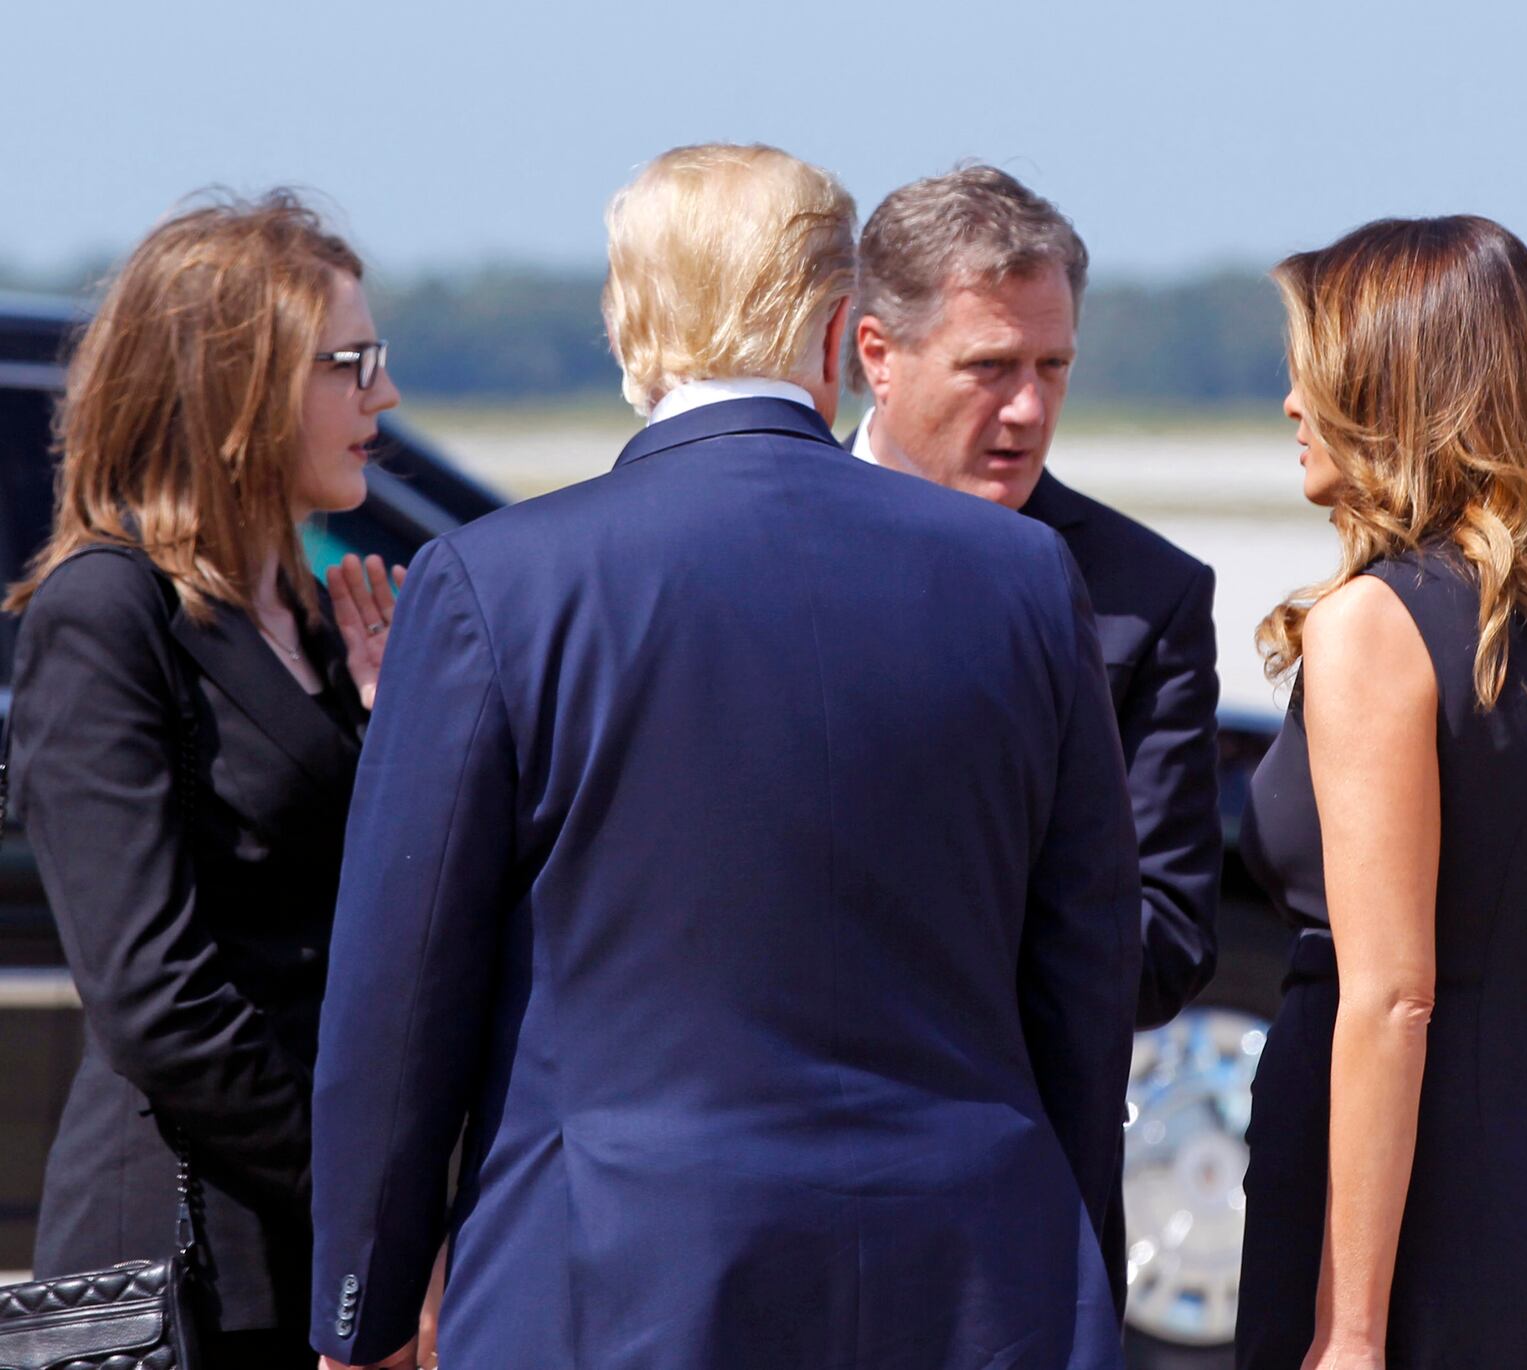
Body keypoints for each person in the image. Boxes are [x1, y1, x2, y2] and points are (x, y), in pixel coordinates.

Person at [310, 143, 1142, 1370]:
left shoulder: (501, 585)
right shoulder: (1019, 577)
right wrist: (1071, 1271)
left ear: (625, 319)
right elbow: (1082, 966)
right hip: (971, 1272)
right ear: (834, 327)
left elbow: (400, 984)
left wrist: (362, 1304)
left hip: (607, 1276)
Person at [5, 192, 403, 1370]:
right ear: (238, 384)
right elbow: (157, 1002)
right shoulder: (108, 612)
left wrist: (399, 740)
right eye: (353, 362)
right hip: (189, 1273)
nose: (384, 397)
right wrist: (364, 1209)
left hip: (308, 1257)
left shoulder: (317, 620)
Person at [846, 164, 1222, 1310]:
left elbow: (1163, 932)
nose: (1025, 408)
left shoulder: (1139, 596)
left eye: (1051, 367)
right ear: (876, 353)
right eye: (988, 368)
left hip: (1017, 1189)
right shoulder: (737, 558)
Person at [1235, 215, 1527, 1368]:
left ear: (1390, 385)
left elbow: (1392, 997)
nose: (1292, 402)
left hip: (1401, 1200)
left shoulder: (1376, 628)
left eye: (1315, 367)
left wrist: (1348, 1326)